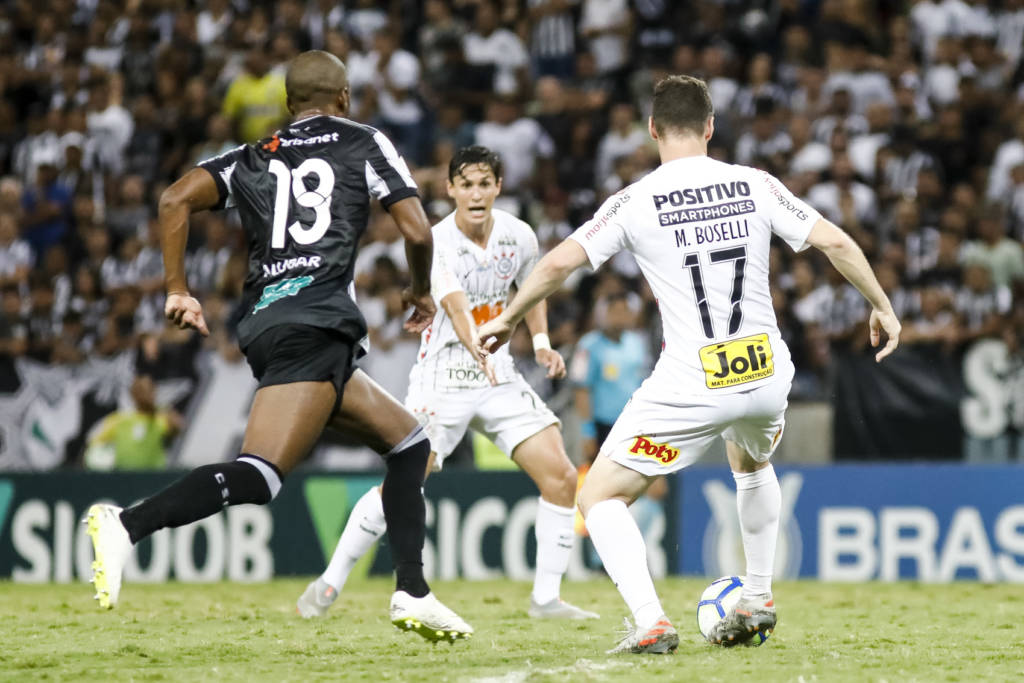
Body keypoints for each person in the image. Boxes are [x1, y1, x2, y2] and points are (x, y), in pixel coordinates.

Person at [476, 75, 901, 653]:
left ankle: (651, 621)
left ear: (652, 129)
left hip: (695, 378)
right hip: (766, 370)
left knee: (598, 497)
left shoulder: (634, 200)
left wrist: (509, 317)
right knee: (751, 460)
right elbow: (838, 244)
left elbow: (554, 266)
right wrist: (881, 306)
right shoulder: (755, 184)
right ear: (710, 127)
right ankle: (758, 596)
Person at [84, 50, 472, 644]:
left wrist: (177, 289)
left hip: (272, 321)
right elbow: (418, 230)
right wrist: (420, 291)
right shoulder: (363, 141)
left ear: (289, 103)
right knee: (261, 475)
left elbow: (173, 200)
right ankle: (126, 525)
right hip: (315, 323)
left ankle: (413, 592)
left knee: (409, 444)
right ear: (344, 97)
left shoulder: (253, 154)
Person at [296, 145, 598, 621]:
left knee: (561, 476)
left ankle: (546, 600)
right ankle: (330, 582)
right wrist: (478, 346)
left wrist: (541, 342)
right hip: (445, 376)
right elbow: (455, 306)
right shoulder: (434, 241)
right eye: (467, 185)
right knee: (406, 481)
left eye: (485, 184)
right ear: (451, 188)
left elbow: (533, 288)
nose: (476, 194)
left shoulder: (519, 235)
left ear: (498, 187)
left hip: (497, 374)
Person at [83, 374, 182, 470]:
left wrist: (164, 408)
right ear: (133, 394)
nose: (146, 395)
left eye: (150, 391)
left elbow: (177, 427)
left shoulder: (160, 418)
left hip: (154, 474)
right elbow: (94, 442)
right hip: (124, 475)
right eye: (141, 391)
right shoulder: (119, 419)